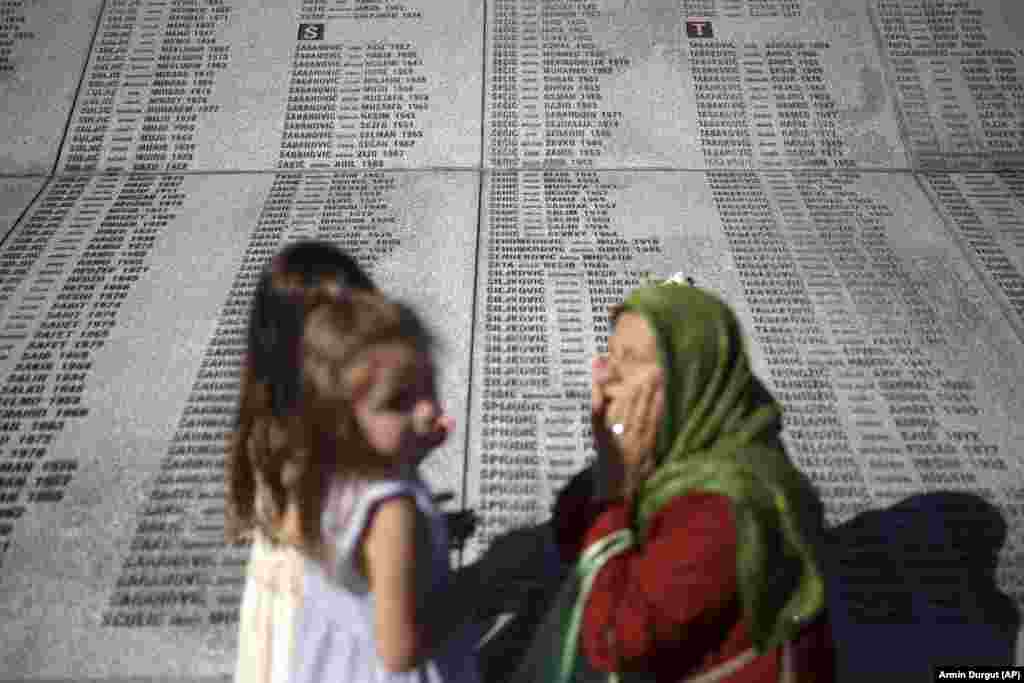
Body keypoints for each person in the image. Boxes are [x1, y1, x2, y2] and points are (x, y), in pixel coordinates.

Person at [518, 276, 836, 683]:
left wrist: (616, 491)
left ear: (686, 377)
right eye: (609, 353)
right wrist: (610, 461)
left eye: (629, 359)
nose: (604, 375)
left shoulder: (724, 508)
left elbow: (614, 641)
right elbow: (570, 539)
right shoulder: (690, 440)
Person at [225, 248, 479, 683]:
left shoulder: (312, 448)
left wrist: (409, 453)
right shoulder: (387, 508)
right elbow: (400, 648)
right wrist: (482, 587)